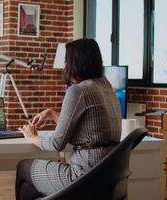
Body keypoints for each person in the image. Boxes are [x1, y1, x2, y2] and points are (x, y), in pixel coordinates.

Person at [16, 38, 122, 200]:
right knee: (30, 188)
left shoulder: (78, 91)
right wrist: (52, 113)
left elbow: (56, 143)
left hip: (83, 176)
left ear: (75, 63)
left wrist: (33, 137)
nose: (65, 66)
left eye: (67, 61)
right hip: (107, 174)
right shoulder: (105, 86)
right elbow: (88, 130)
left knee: (23, 167)